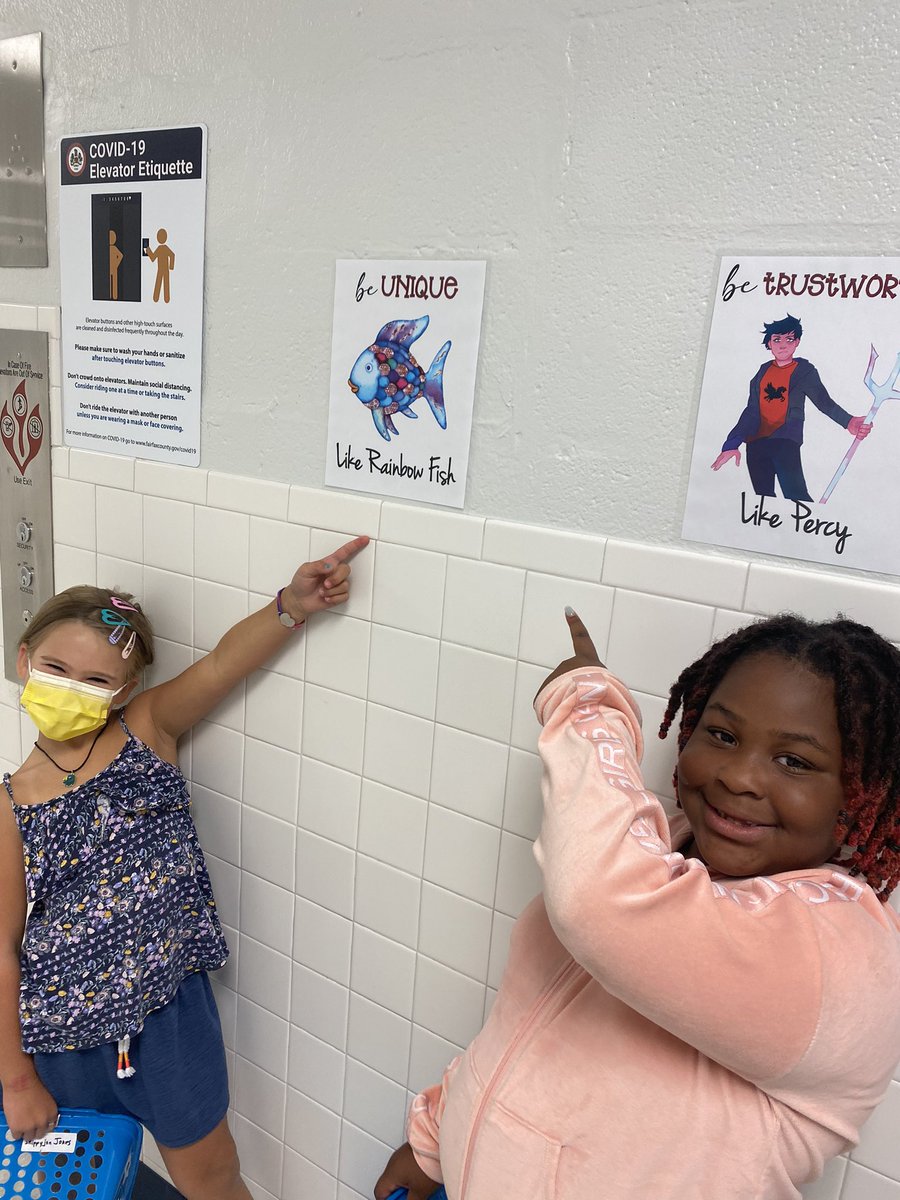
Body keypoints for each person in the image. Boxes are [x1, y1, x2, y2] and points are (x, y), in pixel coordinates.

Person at [376, 610, 900, 1200]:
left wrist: (587, 705)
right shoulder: (655, 853)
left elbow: (595, 905)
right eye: (723, 735)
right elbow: (527, 1021)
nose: (739, 777)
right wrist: (433, 1140)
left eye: (795, 762)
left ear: (866, 794)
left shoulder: (836, 958)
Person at [0, 535, 369, 1200]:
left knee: (214, 1175)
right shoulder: (10, 802)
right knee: (78, 1184)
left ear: (124, 689)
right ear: (24, 659)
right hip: (60, 1035)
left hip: (166, 1016)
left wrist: (292, 605)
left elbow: (225, 664)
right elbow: (1, 949)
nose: (69, 689)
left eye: (94, 680)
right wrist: (18, 1081)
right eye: (54, 667)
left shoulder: (146, 728)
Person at [711, 314, 872, 501]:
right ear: (769, 344)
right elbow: (751, 411)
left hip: (785, 440)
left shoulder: (804, 371)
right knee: (763, 499)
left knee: (796, 495)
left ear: (797, 342)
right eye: (776, 339)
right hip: (756, 442)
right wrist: (732, 444)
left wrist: (849, 421)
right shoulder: (762, 372)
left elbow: (823, 401)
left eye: (789, 339)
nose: (782, 345)